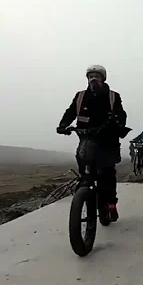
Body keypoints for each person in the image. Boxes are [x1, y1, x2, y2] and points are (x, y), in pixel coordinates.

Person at [57, 65, 129, 222]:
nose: (93, 79)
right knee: (84, 166)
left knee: (107, 173)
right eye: (91, 76)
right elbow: (70, 112)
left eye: (97, 76)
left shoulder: (112, 96)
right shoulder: (81, 96)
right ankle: (85, 191)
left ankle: (110, 204)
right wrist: (63, 125)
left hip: (108, 141)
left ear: (103, 78)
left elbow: (121, 115)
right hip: (86, 139)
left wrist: (115, 124)